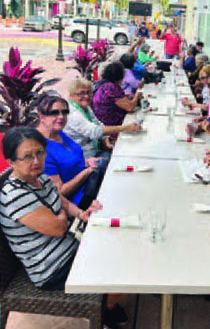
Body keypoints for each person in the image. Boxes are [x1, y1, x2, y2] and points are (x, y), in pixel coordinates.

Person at [0, 127, 129, 327]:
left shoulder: (38, 177)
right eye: (27, 156)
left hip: (70, 246)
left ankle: (108, 307)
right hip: (51, 268)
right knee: (124, 268)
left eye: (40, 153)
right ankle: (105, 313)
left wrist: (80, 213)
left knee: (123, 242)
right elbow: (59, 227)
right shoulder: (15, 195)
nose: (36, 161)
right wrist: (60, 214)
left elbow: (61, 200)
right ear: (11, 162)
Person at [36, 94, 105, 210]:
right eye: (54, 113)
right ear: (41, 116)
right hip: (78, 201)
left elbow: (72, 157)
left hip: (89, 184)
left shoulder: (58, 133)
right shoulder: (40, 149)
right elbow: (60, 192)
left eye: (64, 112)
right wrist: (87, 172)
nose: (61, 117)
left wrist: (87, 162)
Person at [65, 77, 141, 159]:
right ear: (71, 95)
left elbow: (97, 123)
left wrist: (105, 138)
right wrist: (126, 128)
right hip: (83, 157)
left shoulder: (84, 108)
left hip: (95, 148)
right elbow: (94, 131)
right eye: (81, 93)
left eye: (89, 92)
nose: (86, 96)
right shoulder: (73, 114)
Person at [93, 62, 142, 126]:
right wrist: (137, 95)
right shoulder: (111, 87)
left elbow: (114, 99)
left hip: (102, 121)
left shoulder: (102, 84)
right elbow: (130, 107)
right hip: (111, 125)